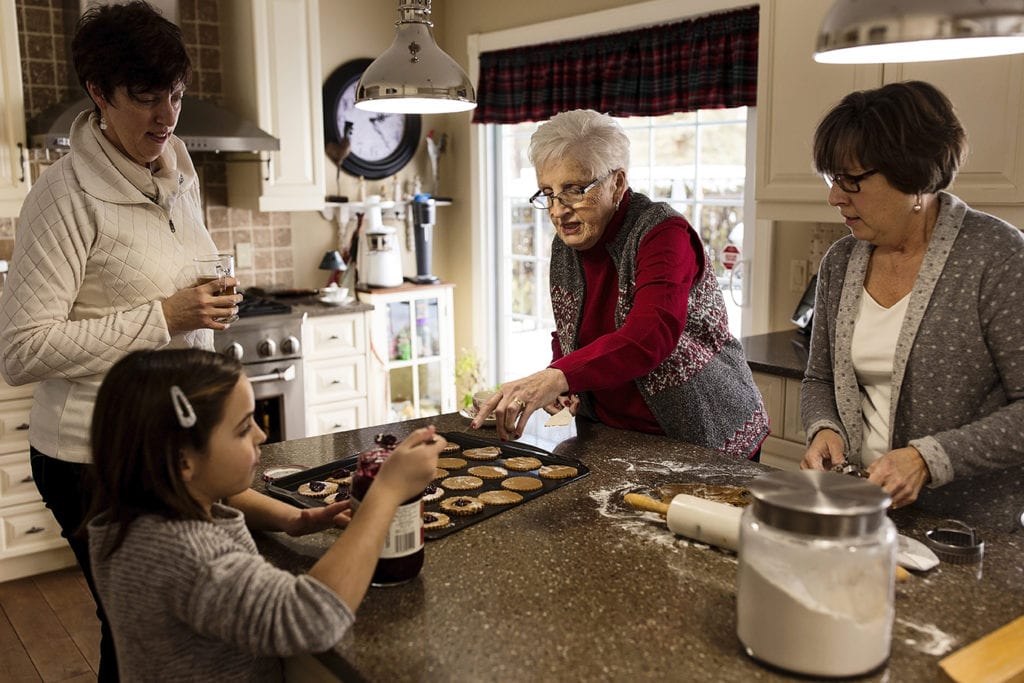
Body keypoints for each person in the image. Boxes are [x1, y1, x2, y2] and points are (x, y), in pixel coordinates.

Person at [0, 3, 237, 678]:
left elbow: (165, 281)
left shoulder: (176, 170)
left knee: (161, 624)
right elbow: (20, 348)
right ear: (99, 95)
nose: (166, 116)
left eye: (177, 96)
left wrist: (206, 299)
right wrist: (165, 315)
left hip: (165, 442)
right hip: (91, 457)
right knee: (137, 625)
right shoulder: (63, 197)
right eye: (145, 98)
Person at [86, 348, 443, 681]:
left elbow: (231, 498)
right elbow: (311, 618)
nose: (261, 434)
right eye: (243, 428)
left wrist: (294, 519)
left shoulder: (130, 516)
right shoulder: (188, 554)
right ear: (183, 461)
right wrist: (386, 492)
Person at [473, 109, 768, 459]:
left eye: (574, 190)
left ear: (617, 182)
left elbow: (650, 334)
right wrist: (563, 382)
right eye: (548, 193)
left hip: (703, 433)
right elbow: (569, 329)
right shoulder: (569, 241)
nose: (558, 210)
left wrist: (557, 376)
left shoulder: (662, 233)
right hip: (613, 432)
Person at [800, 80, 1024, 508]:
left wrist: (929, 458)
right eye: (833, 179)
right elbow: (819, 378)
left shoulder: (996, 258)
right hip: (859, 511)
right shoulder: (841, 261)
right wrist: (824, 427)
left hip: (965, 529)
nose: (834, 197)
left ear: (914, 175)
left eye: (851, 180)